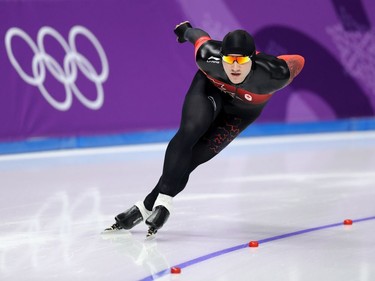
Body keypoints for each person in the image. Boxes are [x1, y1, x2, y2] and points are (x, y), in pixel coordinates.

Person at [105, 21, 305, 237]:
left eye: (242, 61)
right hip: (210, 90)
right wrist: (185, 31)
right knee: (190, 130)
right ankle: (164, 203)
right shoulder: (207, 55)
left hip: (241, 112)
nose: (235, 68)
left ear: (253, 60)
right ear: (221, 57)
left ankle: (145, 207)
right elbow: (198, 36)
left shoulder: (275, 74)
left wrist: (282, 62)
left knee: (195, 157)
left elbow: (298, 61)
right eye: (229, 60)